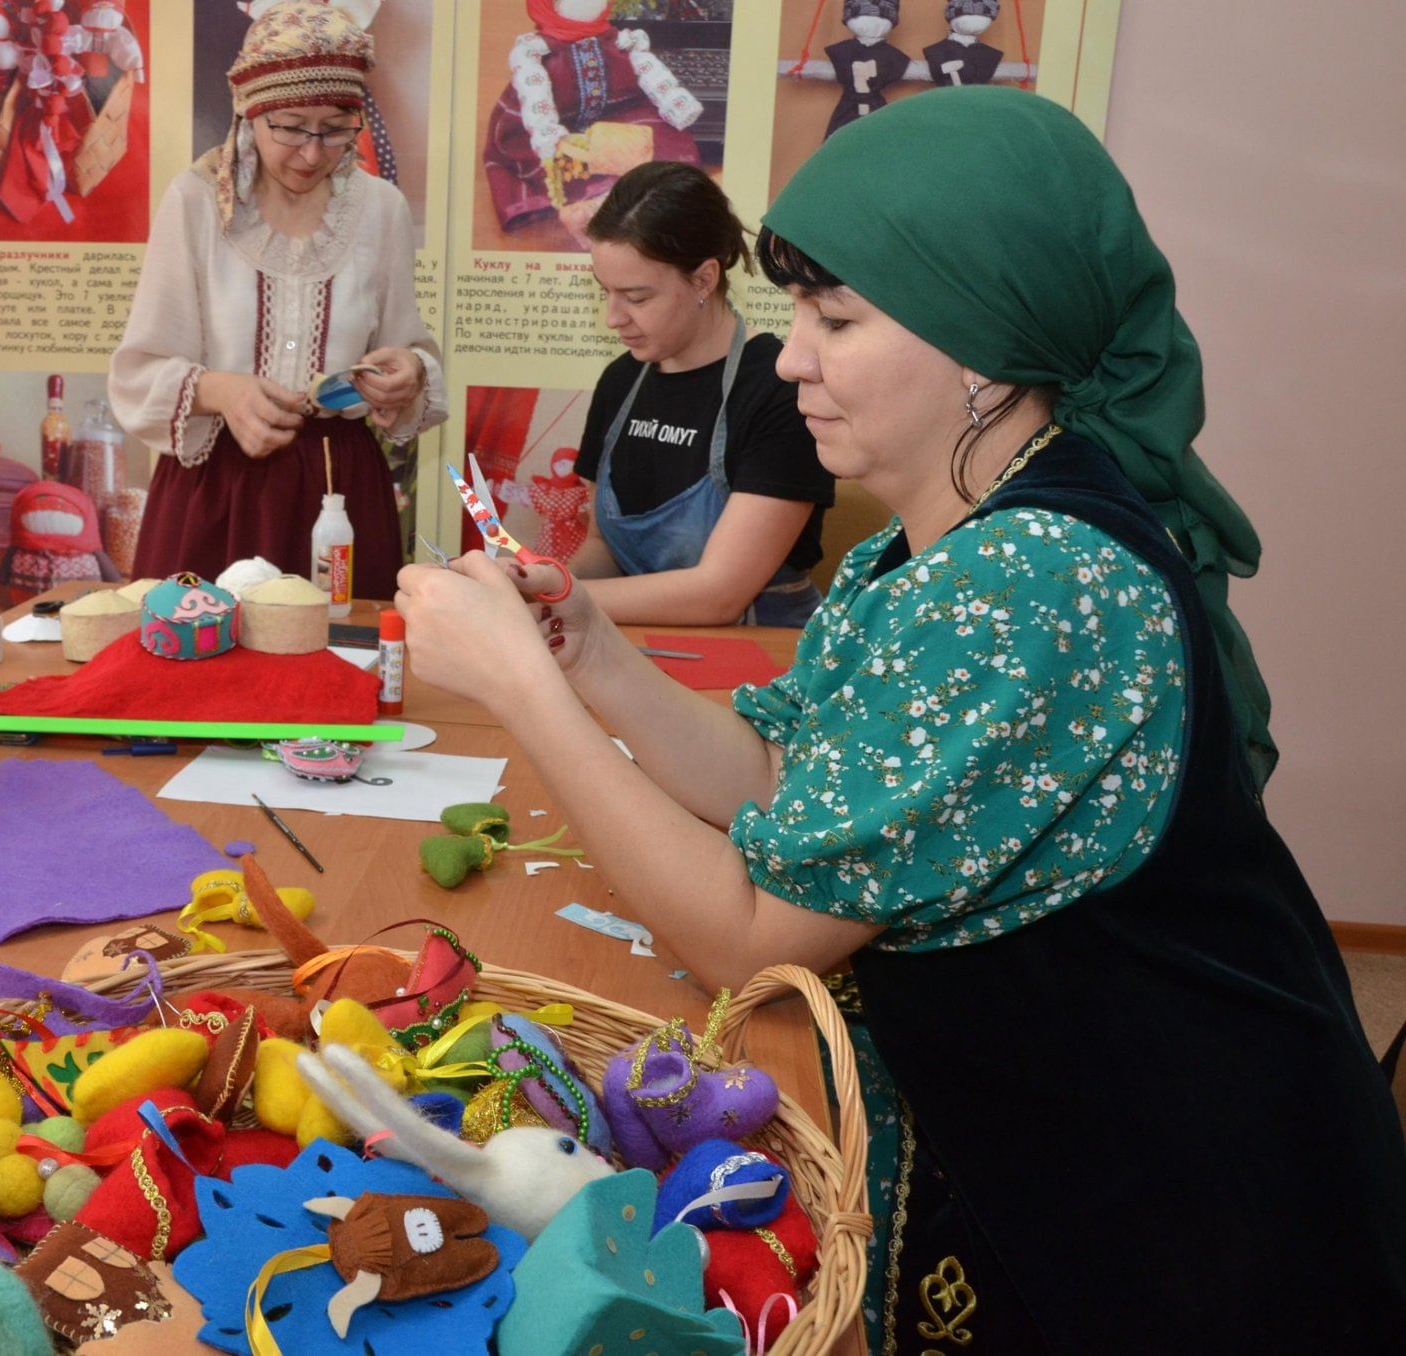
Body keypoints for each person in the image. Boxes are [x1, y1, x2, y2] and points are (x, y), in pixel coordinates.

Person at [395, 87, 1406, 1351]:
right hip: (1075, 1119)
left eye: (834, 319)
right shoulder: (941, 543)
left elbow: (748, 933)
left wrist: (522, 695)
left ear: (980, 344)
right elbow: (780, 776)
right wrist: (587, 651)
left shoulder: (1027, 579)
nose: (790, 358)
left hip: (1164, 1198)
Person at [108, 0, 444, 601]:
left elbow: (409, 346)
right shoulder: (196, 202)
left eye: (337, 127)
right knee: (197, 673)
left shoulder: (379, 210)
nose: (312, 153)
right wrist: (225, 391)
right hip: (214, 485)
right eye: (289, 126)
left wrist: (410, 373)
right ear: (248, 111)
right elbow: (139, 371)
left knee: (338, 667)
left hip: (339, 490)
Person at [568, 161, 832, 626]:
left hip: (760, 656)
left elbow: (718, 595)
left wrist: (563, 598)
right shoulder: (620, 381)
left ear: (704, 280)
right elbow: (601, 548)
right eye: (604, 291)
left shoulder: (778, 389)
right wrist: (536, 587)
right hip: (637, 646)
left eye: (636, 297)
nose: (613, 317)